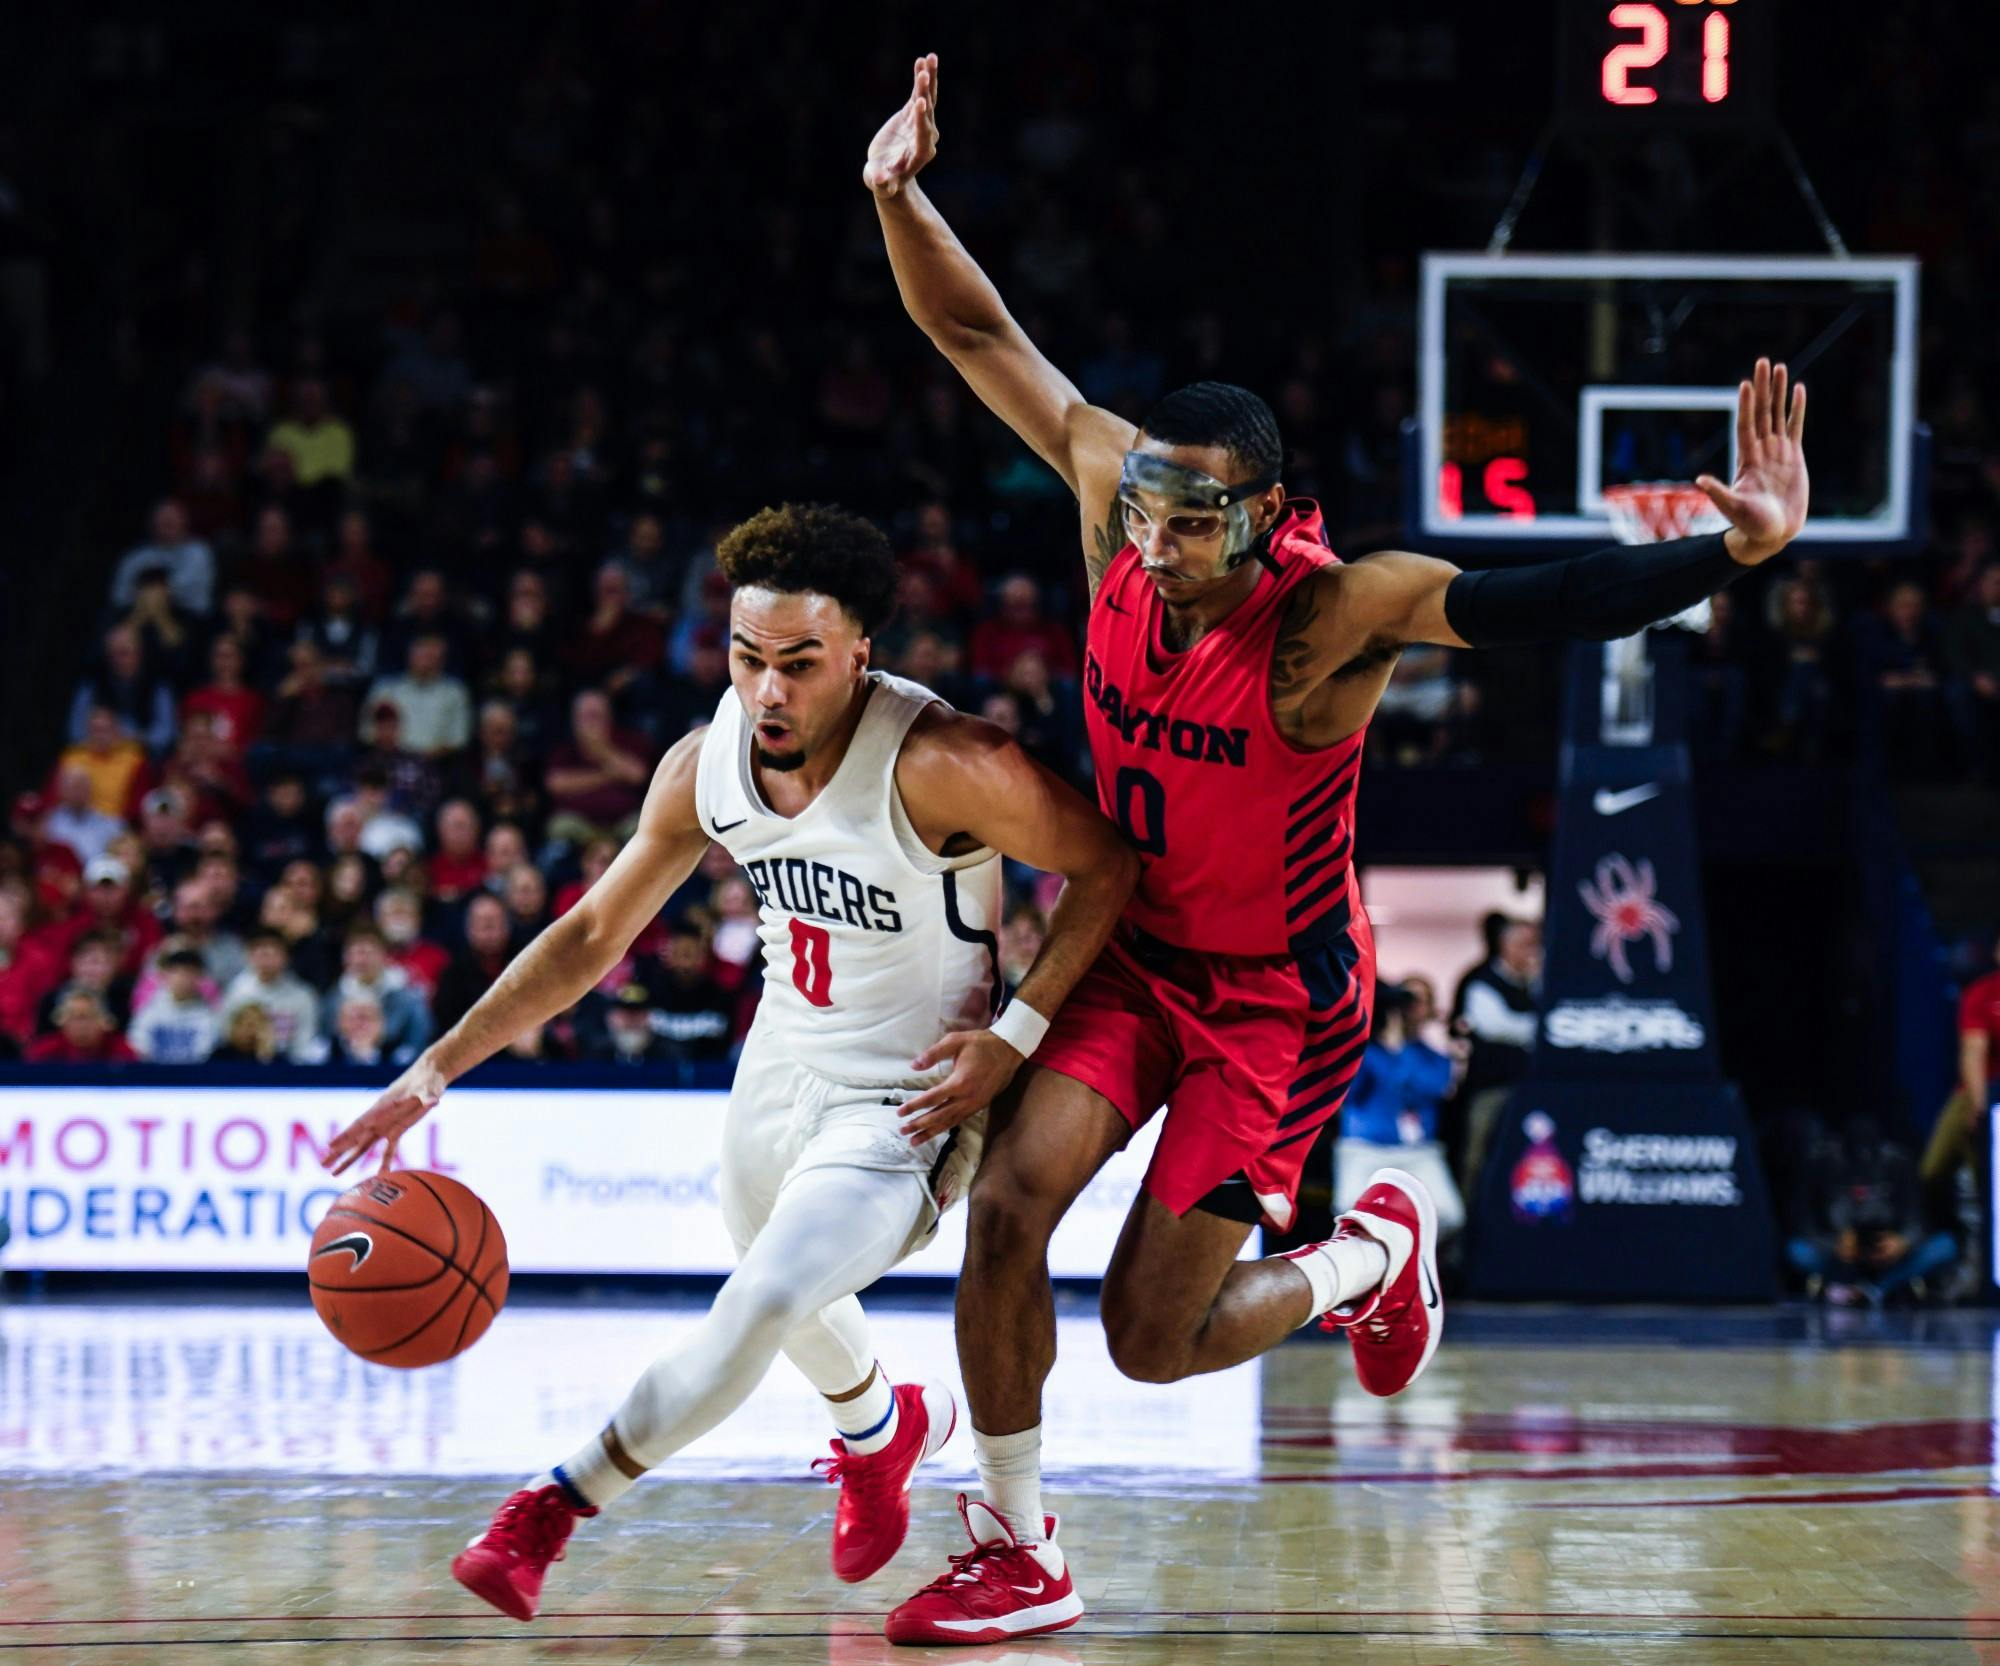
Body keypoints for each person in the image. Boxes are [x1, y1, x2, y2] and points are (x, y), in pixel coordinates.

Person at [867, 54, 1812, 1643]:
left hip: (1274, 1001)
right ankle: (1018, 1545)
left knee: (1152, 1341)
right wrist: (898, 194)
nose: (1158, 547)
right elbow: (978, 337)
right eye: (1149, 517)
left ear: (1271, 512)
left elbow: (1535, 606)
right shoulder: (1119, 502)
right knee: (1011, 1204)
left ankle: (1369, 1252)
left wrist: (1727, 552)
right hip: (1137, 952)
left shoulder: (1331, 618)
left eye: (1194, 524)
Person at [323, 501, 1136, 1625]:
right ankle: (877, 1429)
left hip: (901, 1100)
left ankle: (549, 1508)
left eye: (799, 664)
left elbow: (1104, 864)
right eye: (747, 658)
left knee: (758, 1300)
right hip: (774, 1071)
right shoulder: (706, 762)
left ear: (861, 653)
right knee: (780, 1286)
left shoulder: (948, 762)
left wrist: (1017, 1035)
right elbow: (590, 936)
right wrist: (434, 1068)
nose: (768, 691)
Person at [1337, 982, 1465, 1238]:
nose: (1408, 1011)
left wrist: (1399, 1050)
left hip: (1417, 1151)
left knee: (1450, 1214)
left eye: (1418, 1003)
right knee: (1348, 1213)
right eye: (1404, 1004)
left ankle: (1412, 1259)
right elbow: (1350, 1095)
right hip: (1365, 1148)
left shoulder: (1434, 1057)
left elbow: (1434, 1087)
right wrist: (1376, 1043)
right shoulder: (1366, 1053)